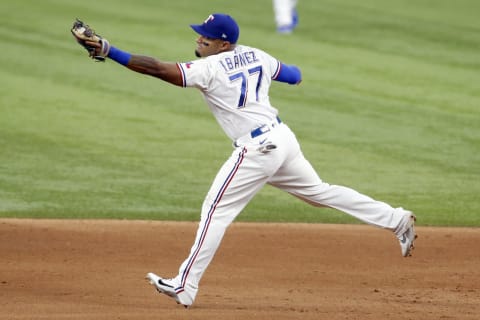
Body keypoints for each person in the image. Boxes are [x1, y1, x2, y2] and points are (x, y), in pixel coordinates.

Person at [74, 13, 417, 308]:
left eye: (206, 37)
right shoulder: (257, 55)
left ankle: (184, 285)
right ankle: (396, 219)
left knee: (216, 211)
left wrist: (110, 50)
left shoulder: (209, 68)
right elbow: (294, 75)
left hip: (258, 149)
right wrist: (271, 71)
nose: (199, 39)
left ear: (223, 44)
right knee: (319, 192)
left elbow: (157, 68)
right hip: (282, 138)